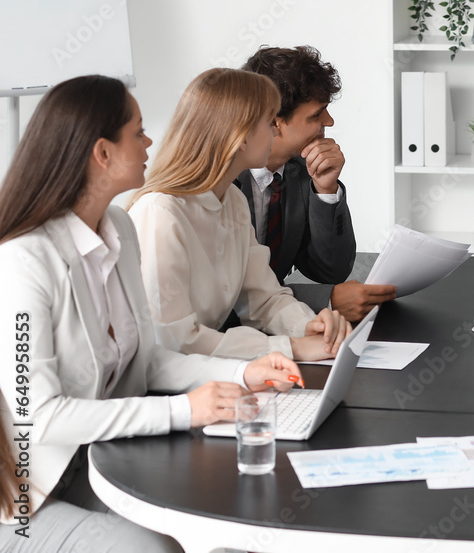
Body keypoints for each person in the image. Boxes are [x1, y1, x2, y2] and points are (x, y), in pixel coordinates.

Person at [0, 76, 303, 551]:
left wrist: (245, 373)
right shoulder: (23, 261)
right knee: (152, 548)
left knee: (232, 519)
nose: (150, 142)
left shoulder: (117, 225)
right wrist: (182, 410)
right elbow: (38, 418)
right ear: (102, 153)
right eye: (138, 132)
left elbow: (150, 357)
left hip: (97, 459)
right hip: (24, 496)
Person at [129, 68, 350, 361]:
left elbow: (264, 298)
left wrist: (307, 326)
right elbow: (173, 342)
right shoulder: (161, 212)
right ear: (240, 136)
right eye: (268, 122)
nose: (275, 131)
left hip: (208, 371)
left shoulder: (231, 199)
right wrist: (290, 348)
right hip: (162, 388)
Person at [240, 46, 396, 322]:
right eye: (316, 115)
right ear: (274, 121)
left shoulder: (300, 172)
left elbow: (330, 271)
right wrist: (326, 300)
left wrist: (325, 191)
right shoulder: (221, 185)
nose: (330, 121)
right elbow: (228, 299)